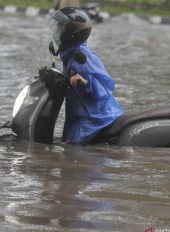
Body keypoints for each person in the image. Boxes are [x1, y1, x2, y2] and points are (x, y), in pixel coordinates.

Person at [49, 7, 124, 143]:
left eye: (60, 29)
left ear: (71, 34)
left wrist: (85, 82)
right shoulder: (70, 55)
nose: (57, 33)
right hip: (80, 114)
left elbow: (105, 85)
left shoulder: (84, 56)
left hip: (96, 118)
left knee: (73, 150)